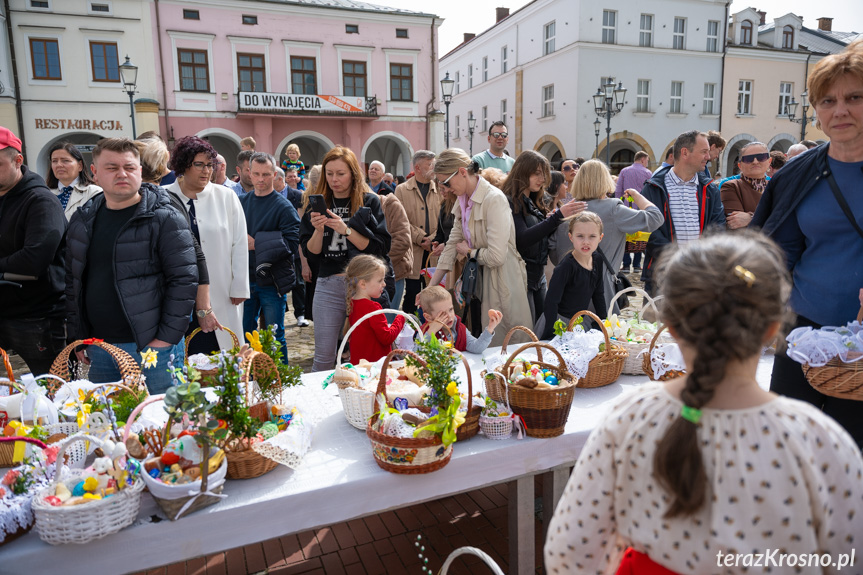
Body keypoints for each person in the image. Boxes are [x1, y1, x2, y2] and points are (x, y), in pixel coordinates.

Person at [544, 231, 863, 574]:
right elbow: (848, 559)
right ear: (773, 329)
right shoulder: (821, 440)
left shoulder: (630, 417)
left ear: (672, 328)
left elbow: (570, 554)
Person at [750, 38, 863, 447]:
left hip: (862, 345)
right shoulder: (796, 175)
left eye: (854, 97)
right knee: (788, 450)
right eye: (828, 100)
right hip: (803, 336)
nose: (840, 110)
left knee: (851, 457)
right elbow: (776, 254)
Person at [66, 138, 197, 393]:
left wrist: (165, 339)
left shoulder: (165, 217)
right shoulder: (82, 220)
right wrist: (79, 339)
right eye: (112, 168)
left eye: (129, 167)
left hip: (152, 348)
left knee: (162, 423)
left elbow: (183, 281)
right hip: (100, 347)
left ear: (140, 170)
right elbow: (73, 283)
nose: (122, 174)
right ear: (94, 172)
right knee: (109, 424)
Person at [426, 149, 532, 345]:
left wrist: (468, 252)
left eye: (446, 182)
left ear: (462, 172)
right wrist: (430, 288)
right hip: (479, 281)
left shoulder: (494, 199)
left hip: (503, 280)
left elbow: (497, 257)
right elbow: (451, 244)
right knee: (484, 339)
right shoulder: (463, 199)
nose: (445, 189)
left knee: (508, 343)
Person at [300, 146, 391, 371]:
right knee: (323, 356)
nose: (334, 179)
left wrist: (346, 230)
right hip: (329, 283)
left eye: (340, 173)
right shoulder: (316, 204)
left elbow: (379, 248)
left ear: (353, 173)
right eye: (329, 174)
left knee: (368, 355)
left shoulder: (369, 201)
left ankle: (367, 401)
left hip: (363, 287)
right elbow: (311, 253)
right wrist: (319, 231)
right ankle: (320, 404)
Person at [166, 136, 249, 354]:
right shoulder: (164, 197)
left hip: (222, 288)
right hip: (177, 291)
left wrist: (240, 285)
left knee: (223, 348)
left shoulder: (226, 196)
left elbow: (239, 243)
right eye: (199, 165)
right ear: (183, 165)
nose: (207, 171)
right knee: (185, 352)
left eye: (210, 165)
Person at [134, 136, 213, 354]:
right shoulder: (168, 201)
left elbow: (194, 259)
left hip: (161, 313)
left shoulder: (166, 203)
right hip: (157, 313)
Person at [0, 127, 67, 375]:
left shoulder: (41, 201)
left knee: (54, 391)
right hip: (5, 311)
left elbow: (34, 260)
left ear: (18, 160)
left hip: (39, 317)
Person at [564, 160, 662, 307]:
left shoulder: (568, 209)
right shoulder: (613, 209)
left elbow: (554, 251)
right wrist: (637, 195)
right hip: (602, 290)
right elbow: (656, 218)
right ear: (605, 180)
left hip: (567, 289)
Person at [502, 150, 582, 323]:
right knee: (529, 332)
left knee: (542, 328)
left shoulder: (531, 200)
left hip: (537, 278)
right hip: (522, 278)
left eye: (544, 174)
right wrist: (556, 217)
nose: (543, 179)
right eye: (537, 174)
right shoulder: (510, 200)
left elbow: (537, 232)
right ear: (523, 172)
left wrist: (551, 220)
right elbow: (522, 238)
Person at [641, 130, 725, 295]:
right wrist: (677, 259)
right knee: (657, 321)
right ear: (685, 152)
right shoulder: (654, 187)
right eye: (703, 152)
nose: (708, 157)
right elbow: (649, 230)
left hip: (701, 274)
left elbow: (718, 226)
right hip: (662, 275)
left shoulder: (710, 189)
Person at [239, 153, 300, 361]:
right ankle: (248, 378)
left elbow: (291, 243)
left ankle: (277, 380)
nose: (261, 179)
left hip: (272, 281)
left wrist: (257, 243)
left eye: (266, 174)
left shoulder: (283, 206)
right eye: (256, 174)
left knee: (274, 336)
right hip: (244, 280)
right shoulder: (240, 202)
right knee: (244, 335)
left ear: (274, 174)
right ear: (249, 173)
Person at [537, 212, 607, 339]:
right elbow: (551, 302)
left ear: (600, 238)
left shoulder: (597, 260)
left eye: (592, 236)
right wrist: (550, 332)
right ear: (571, 237)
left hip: (579, 323)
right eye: (580, 236)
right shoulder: (566, 267)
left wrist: (602, 322)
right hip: (558, 323)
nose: (586, 242)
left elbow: (598, 294)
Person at [395, 150, 441, 315]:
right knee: (412, 294)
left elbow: (446, 218)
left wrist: (434, 238)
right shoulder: (401, 190)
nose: (434, 169)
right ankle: (411, 328)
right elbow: (400, 220)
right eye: (430, 165)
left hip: (434, 250)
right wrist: (420, 237)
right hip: (413, 251)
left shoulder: (440, 188)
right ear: (418, 168)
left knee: (434, 294)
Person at [344, 255, 405, 364]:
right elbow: (387, 337)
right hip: (375, 365)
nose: (384, 284)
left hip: (360, 364)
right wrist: (401, 318)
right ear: (362, 284)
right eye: (380, 281)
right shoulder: (372, 307)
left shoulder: (353, 302)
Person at [419, 285, 501, 353]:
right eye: (442, 314)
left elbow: (476, 348)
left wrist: (490, 328)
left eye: (451, 309)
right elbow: (416, 355)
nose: (449, 316)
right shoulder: (423, 332)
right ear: (428, 317)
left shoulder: (458, 328)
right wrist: (431, 332)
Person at [274, 166, 308, 327]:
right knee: (278, 281)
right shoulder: (270, 196)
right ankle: (282, 312)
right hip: (275, 245)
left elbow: (301, 221)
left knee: (298, 282)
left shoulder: (296, 195)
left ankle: (300, 313)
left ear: (279, 179)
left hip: (294, 243)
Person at [613, 151, 654, 272]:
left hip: (626, 207)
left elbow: (618, 190)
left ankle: (626, 264)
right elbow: (650, 191)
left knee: (625, 234)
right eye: (646, 161)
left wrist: (618, 204)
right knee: (640, 235)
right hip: (641, 207)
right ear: (642, 159)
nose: (647, 163)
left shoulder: (624, 171)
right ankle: (636, 265)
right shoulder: (647, 173)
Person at [45, 142, 102, 221]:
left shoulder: (94, 193)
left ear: (80, 165)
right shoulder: (45, 193)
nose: (59, 165)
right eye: (54, 161)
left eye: (65, 161)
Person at [721, 141, 770, 230]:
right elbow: (736, 224)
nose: (755, 162)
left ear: (769, 161)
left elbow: (785, 220)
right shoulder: (731, 186)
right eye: (749, 159)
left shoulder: (776, 187)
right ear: (740, 165)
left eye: (761, 157)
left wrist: (750, 218)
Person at [380, 192, 412, 311]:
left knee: (388, 321)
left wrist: (377, 266)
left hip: (393, 275)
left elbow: (402, 241)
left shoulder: (390, 205)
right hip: (365, 279)